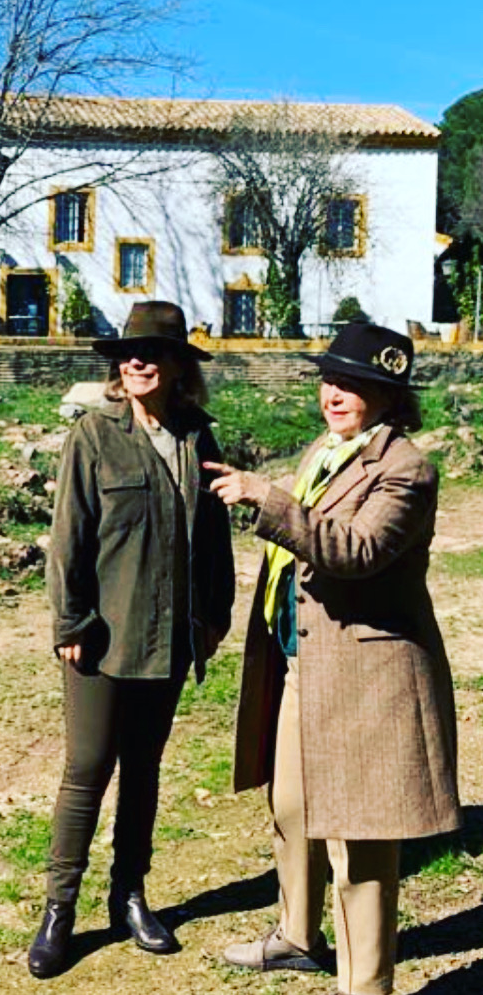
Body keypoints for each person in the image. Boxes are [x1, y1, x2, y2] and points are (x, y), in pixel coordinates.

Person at [207, 321, 460, 995]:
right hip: (307, 663)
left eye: (355, 384)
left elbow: (356, 550)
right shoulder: (327, 450)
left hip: (369, 678)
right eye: (330, 379)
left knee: (360, 843)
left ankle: (365, 985)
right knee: (291, 807)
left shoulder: (406, 469)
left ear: (390, 397)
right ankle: (298, 936)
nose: (335, 394)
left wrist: (267, 499)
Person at [28, 300, 235, 979]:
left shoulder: (197, 437)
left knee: (143, 770)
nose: (138, 362)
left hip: (170, 637)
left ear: (178, 366)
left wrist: (215, 613)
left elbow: (215, 538)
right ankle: (59, 910)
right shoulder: (94, 434)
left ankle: (130, 895)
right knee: (88, 770)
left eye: (152, 353)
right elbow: (68, 537)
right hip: (103, 637)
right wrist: (71, 622)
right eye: (128, 354)